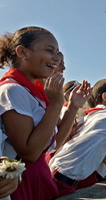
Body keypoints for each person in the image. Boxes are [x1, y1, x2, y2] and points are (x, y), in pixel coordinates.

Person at [0, 26, 64, 200]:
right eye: (49, 50)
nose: (57, 58)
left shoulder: (31, 92)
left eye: (57, 52)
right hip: (20, 182)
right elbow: (30, 152)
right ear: (22, 52)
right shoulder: (13, 91)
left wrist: (72, 106)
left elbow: (55, 143)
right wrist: (57, 103)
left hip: (37, 175)